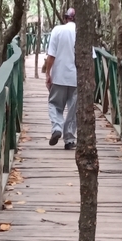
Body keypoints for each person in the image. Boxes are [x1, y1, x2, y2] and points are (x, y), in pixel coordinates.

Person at [43, 8, 77, 150]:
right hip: (76, 78)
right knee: (73, 109)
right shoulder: (83, 33)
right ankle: (69, 139)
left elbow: (51, 56)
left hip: (59, 77)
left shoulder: (57, 30)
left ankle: (57, 127)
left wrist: (48, 74)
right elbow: (91, 59)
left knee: (54, 105)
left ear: (65, 18)